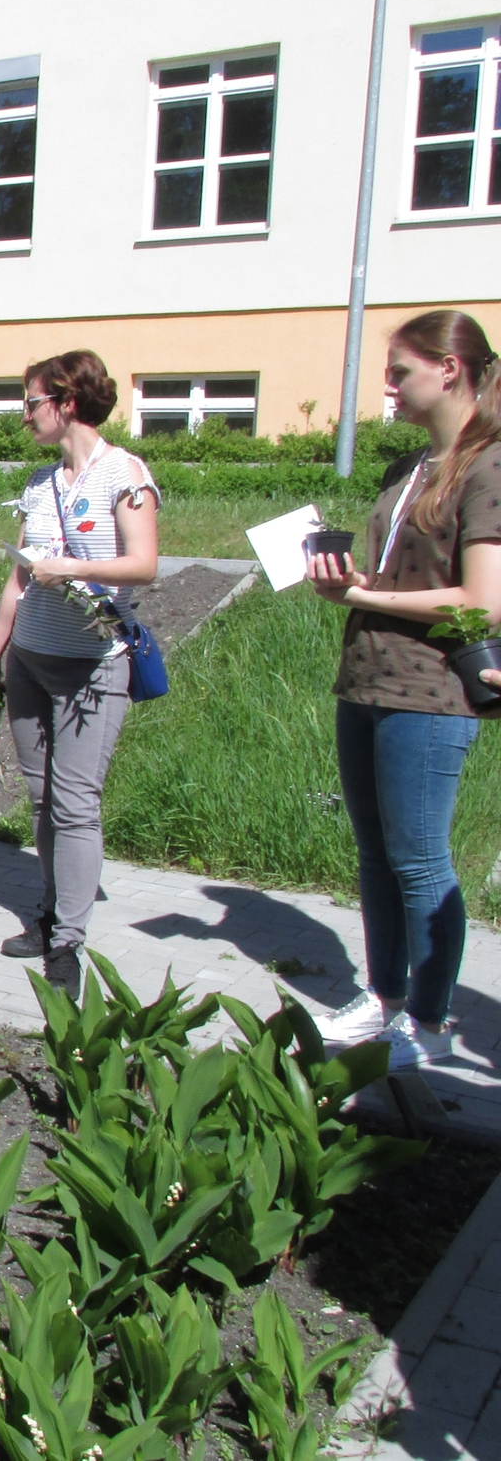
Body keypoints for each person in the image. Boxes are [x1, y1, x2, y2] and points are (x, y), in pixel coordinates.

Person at [306, 310, 501, 1070]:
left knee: (419, 861)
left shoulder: (488, 467)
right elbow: (397, 577)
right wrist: (348, 580)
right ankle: (384, 997)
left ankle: (429, 1020)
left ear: (449, 370)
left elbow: (484, 602)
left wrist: (363, 596)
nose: (387, 386)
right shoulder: (407, 467)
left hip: (431, 691)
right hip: (368, 676)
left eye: (400, 372)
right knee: (375, 855)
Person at [0, 350, 160, 999]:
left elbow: (144, 565)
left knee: (76, 804)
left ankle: (68, 944)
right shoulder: (39, 482)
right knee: (42, 798)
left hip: (92, 666)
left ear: (67, 403)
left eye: (31, 403)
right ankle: (51, 913)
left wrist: (71, 569)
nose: (24, 415)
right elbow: (18, 580)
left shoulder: (124, 475)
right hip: (29, 658)